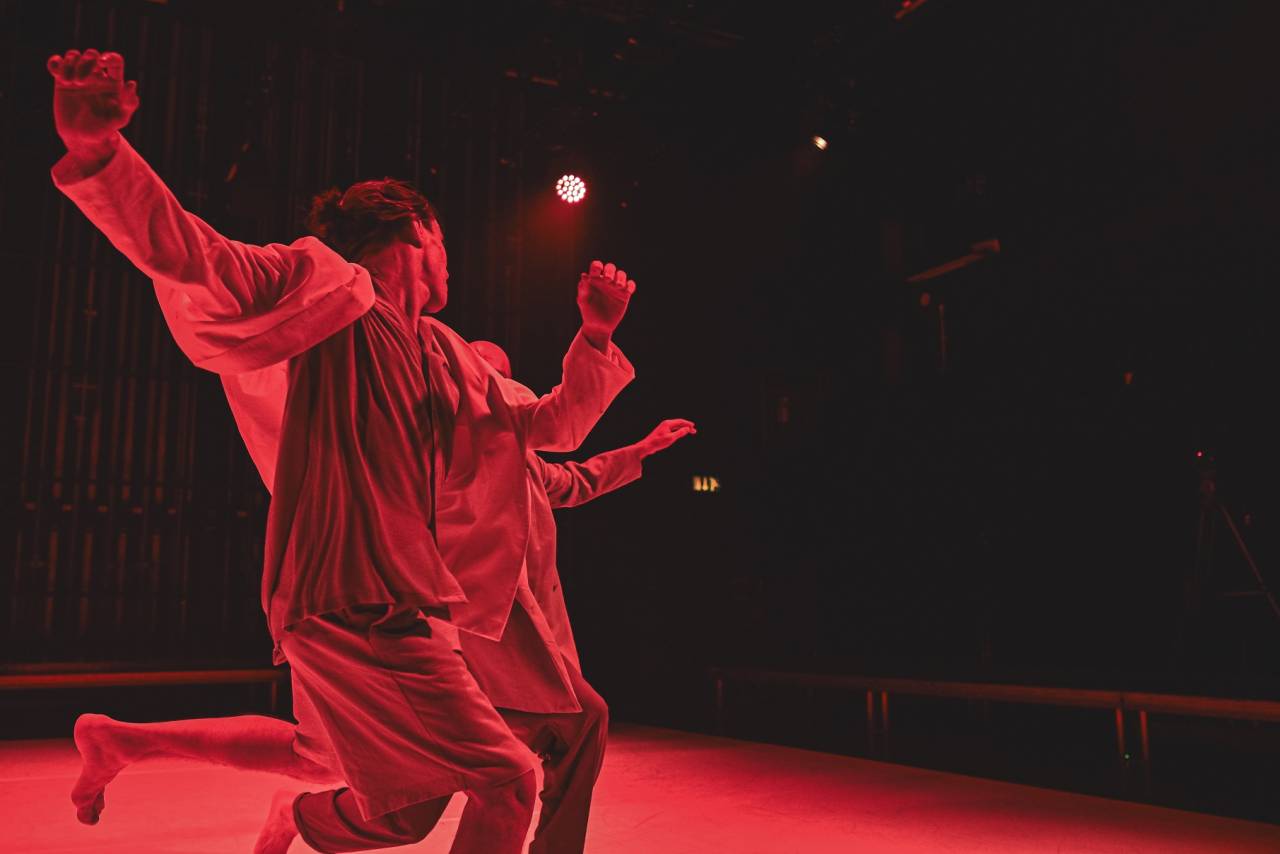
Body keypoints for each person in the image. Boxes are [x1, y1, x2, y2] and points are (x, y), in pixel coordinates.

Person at [48, 48, 636, 854]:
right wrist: (100, 155)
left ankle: (258, 800)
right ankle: (187, 768)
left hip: (416, 610)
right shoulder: (325, 284)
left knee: (399, 804)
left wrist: (595, 337)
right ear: (419, 230)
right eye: (445, 242)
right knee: (506, 782)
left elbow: (550, 429)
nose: (450, 262)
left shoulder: (444, 352)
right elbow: (199, 257)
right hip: (352, 600)